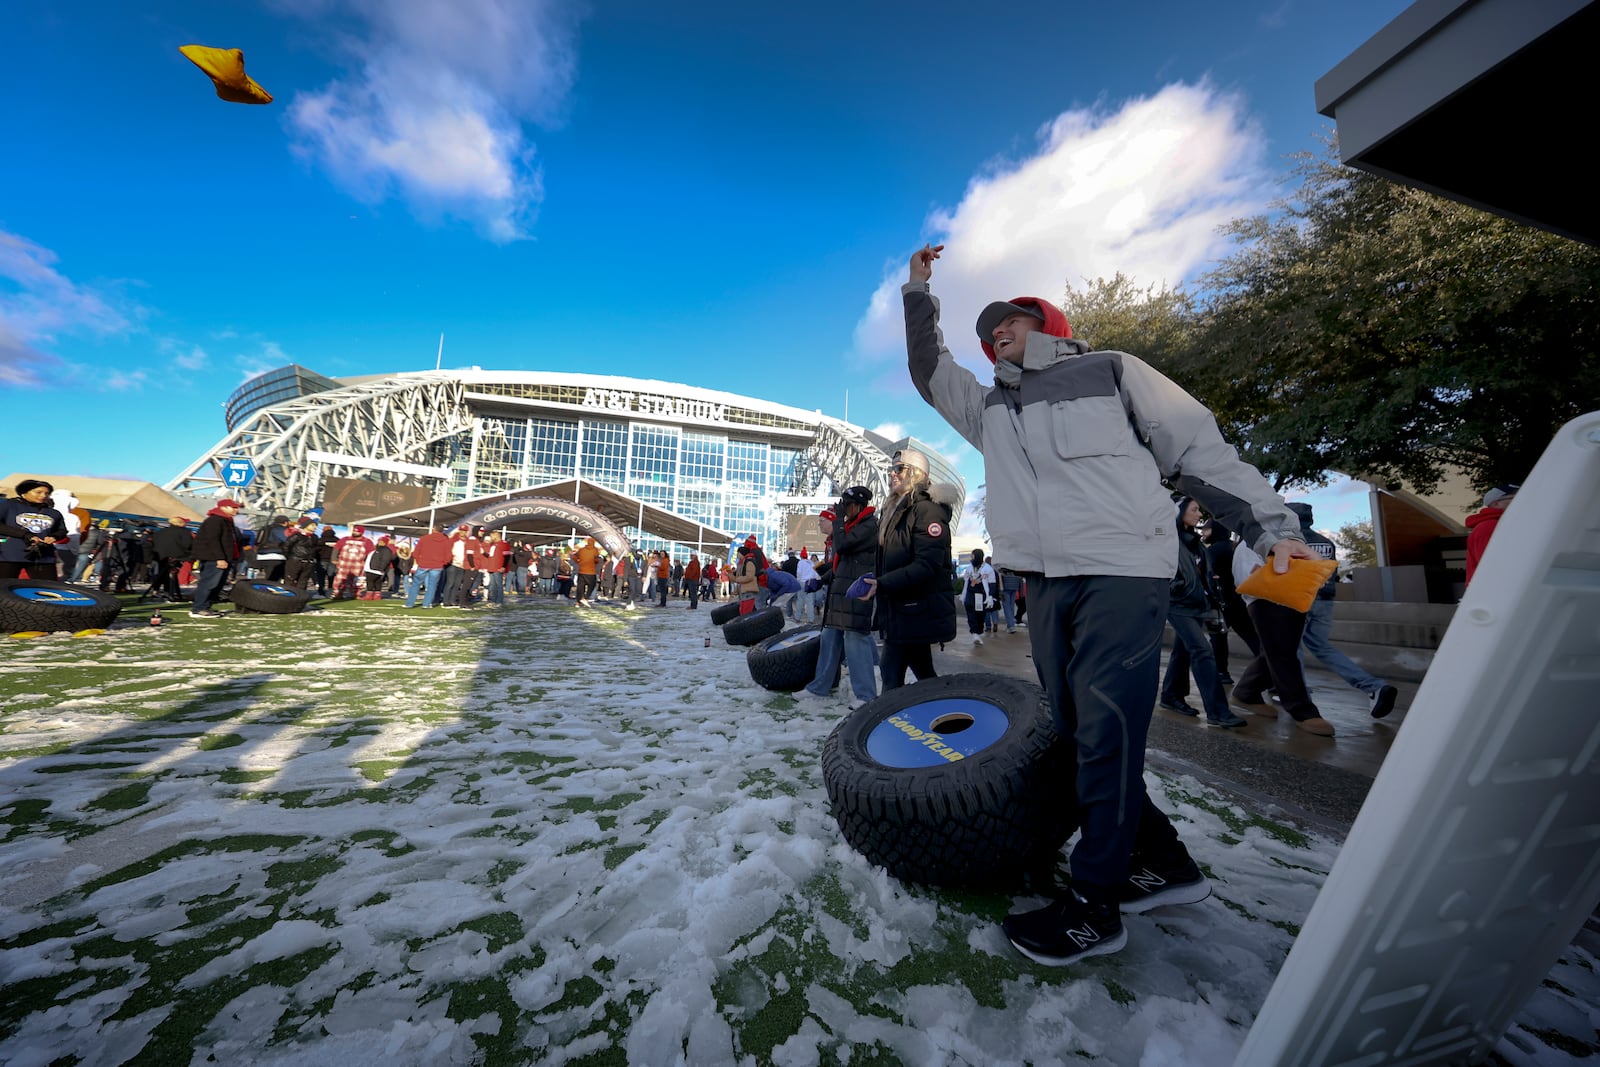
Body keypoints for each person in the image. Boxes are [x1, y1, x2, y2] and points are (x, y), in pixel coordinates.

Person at [903, 242, 1311, 966]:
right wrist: (918, 291)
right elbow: (931, 371)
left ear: (1049, 323)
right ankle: (1167, 862)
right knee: (1075, 732)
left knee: (1105, 732)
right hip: (1046, 582)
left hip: (1124, 569)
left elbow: (1201, 451)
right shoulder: (990, 405)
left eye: (1012, 320)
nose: (997, 330)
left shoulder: (1112, 369)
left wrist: (1275, 527)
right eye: (989, 327)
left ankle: (1096, 906)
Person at [1288, 502, 1398, 719]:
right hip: (1325, 600)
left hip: (1300, 599)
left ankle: (1298, 696)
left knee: (1292, 650)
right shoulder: (1326, 542)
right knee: (1322, 647)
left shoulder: (1292, 542)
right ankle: (1373, 686)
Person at [865, 449, 956, 689]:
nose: (893, 474)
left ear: (917, 474)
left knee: (892, 673)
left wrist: (884, 583)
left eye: (899, 469)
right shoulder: (897, 510)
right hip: (900, 609)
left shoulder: (927, 510)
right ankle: (946, 717)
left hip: (914, 610)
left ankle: (888, 721)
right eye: (892, 470)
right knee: (920, 673)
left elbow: (927, 564)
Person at [1229, 540, 1335, 736]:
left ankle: (1246, 692)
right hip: (1266, 599)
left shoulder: (1291, 537)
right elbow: (1248, 575)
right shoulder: (1252, 539)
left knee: (1276, 650)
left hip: (1293, 596)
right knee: (1282, 652)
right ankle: (1301, 709)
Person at [1158, 499, 1248, 728]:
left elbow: (1200, 571)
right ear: (1179, 512)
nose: (1199, 514)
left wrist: (1208, 584)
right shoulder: (1168, 539)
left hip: (1198, 604)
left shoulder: (1195, 543)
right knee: (1202, 651)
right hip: (1177, 603)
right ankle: (1218, 712)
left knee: (1183, 652)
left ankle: (1171, 696)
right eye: (1194, 509)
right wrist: (1175, 586)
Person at [802, 486, 881, 708]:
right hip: (840, 593)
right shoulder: (851, 525)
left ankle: (866, 697)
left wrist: (837, 522)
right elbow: (841, 563)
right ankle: (820, 687)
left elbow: (843, 546)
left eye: (846, 506)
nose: (843, 511)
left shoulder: (869, 525)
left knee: (856, 641)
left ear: (857, 505)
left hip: (855, 594)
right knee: (830, 639)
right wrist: (823, 579)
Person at [0, 479, 69, 580]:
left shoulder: (53, 512)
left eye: (47, 493)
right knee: (3, 587)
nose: (43, 495)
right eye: (38, 492)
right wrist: (26, 535)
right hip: (10, 554)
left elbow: (62, 530)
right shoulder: (7, 505)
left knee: (47, 588)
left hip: (43, 556)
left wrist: (54, 537)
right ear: (24, 492)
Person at [190, 499, 242, 617]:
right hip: (213, 558)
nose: (236, 510)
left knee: (216, 585)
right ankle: (198, 608)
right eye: (233, 507)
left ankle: (205, 607)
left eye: (237, 507)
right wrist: (220, 558)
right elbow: (213, 540)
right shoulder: (215, 520)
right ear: (223, 507)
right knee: (209, 584)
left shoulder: (226, 520)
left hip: (222, 557)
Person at [1465, 483, 1518, 586]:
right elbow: (1489, 565)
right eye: (1514, 498)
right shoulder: (1489, 527)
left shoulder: (1501, 525)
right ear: (1496, 503)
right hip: (1491, 590)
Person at [146, 516, 195, 602]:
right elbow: (188, 544)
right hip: (178, 556)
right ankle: (170, 592)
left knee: (161, 574)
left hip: (160, 556)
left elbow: (154, 543)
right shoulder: (184, 532)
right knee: (171, 574)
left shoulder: (161, 532)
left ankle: (157, 591)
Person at [407, 524, 452, 608]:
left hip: (424, 564)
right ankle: (426, 604)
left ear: (433, 529)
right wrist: (443, 562)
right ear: (442, 531)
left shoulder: (424, 538)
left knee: (416, 584)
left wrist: (419, 561)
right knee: (432, 585)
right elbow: (449, 555)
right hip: (437, 566)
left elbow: (416, 552)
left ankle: (410, 603)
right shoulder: (446, 541)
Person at [963, 549, 998, 646]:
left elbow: (992, 583)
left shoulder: (988, 569)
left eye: (973, 556)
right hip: (970, 593)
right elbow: (965, 581)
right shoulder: (969, 568)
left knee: (980, 614)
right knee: (970, 611)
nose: (971, 558)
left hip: (982, 595)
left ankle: (978, 631)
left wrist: (990, 596)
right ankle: (974, 633)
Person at [283, 518, 320, 592]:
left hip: (309, 561)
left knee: (303, 581)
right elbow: (286, 546)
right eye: (312, 525)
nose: (315, 527)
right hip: (296, 560)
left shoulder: (314, 537)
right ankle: (288, 596)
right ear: (306, 526)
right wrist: (290, 557)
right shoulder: (297, 536)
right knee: (290, 579)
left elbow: (315, 548)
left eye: (315, 525)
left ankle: (300, 597)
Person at [573, 536, 601, 605]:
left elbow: (574, 556)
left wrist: (579, 562)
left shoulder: (581, 550)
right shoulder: (595, 550)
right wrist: (596, 561)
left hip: (581, 570)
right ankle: (586, 598)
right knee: (592, 585)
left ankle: (578, 602)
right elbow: (596, 560)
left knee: (580, 587)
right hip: (591, 571)